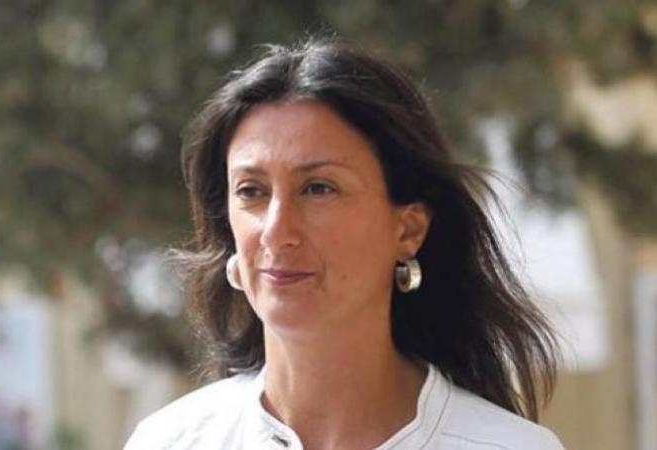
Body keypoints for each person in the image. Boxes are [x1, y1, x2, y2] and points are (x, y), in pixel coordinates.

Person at [125, 38, 565, 450]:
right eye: (251, 191)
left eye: (318, 188)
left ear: (408, 230)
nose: (277, 230)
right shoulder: (171, 441)